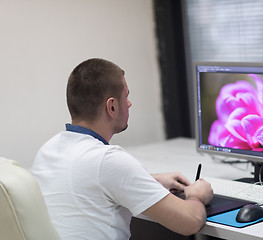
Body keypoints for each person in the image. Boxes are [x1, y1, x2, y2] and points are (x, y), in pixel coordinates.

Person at [31, 58, 213, 239]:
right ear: (111, 106)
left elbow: (89, 181)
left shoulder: (48, 149)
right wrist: (196, 196)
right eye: (126, 96)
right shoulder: (108, 160)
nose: (129, 103)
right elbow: (191, 221)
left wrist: (151, 180)